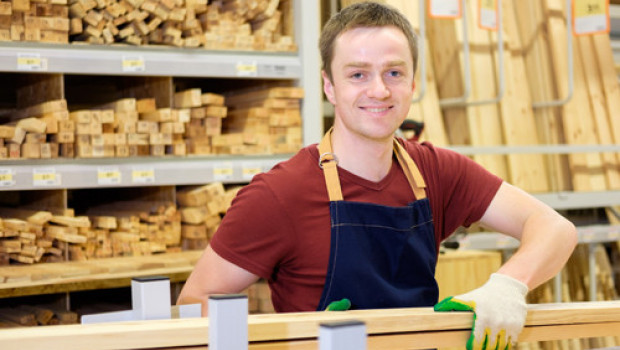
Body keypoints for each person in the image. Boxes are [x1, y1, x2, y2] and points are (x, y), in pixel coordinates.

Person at [178, 2, 577, 349]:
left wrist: (508, 286)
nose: (379, 91)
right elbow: (193, 306)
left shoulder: (437, 172)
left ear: (413, 83)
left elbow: (555, 229)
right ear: (329, 87)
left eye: (393, 73)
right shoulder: (281, 193)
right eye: (357, 75)